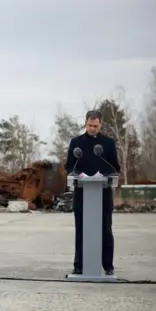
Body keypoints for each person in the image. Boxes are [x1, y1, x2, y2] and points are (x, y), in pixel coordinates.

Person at [65, 110, 120, 276]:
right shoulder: (76, 142)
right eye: (89, 125)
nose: (92, 129)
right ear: (85, 123)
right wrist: (77, 175)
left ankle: (107, 265)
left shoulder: (109, 143)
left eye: (95, 126)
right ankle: (79, 265)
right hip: (82, 192)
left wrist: (106, 175)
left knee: (106, 229)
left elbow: (115, 168)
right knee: (81, 229)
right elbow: (69, 166)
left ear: (101, 124)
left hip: (103, 192)